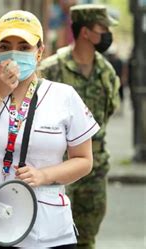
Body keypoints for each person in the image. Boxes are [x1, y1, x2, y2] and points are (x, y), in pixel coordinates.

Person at [0, 10, 99, 248]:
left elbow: (83, 160)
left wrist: (45, 175)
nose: (14, 53)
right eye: (5, 45)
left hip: (45, 231)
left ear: (39, 52)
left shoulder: (63, 96)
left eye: (24, 46)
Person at [39, 4, 120, 249]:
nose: (107, 33)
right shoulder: (52, 69)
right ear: (85, 32)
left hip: (94, 168)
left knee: (87, 237)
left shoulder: (106, 72)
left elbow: (109, 110)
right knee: (55, 235)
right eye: (102, 28)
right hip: (59, 167)